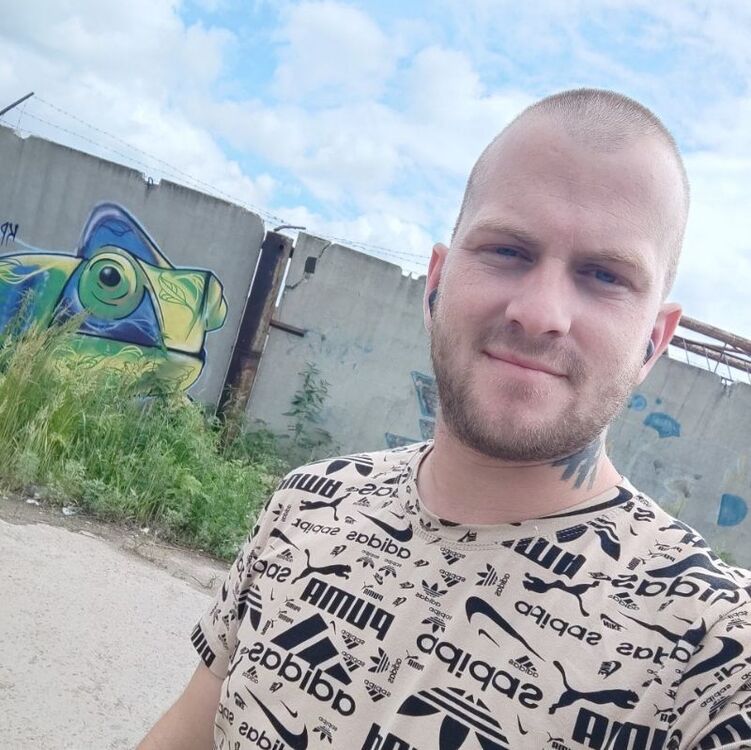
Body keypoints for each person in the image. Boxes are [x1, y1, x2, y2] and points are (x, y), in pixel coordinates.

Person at [138, 89, 751, 750]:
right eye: (508, 251)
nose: (539, 313)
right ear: (435, 284)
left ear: (653, 342)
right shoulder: (305, 505)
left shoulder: (716, 655)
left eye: (603, 275)